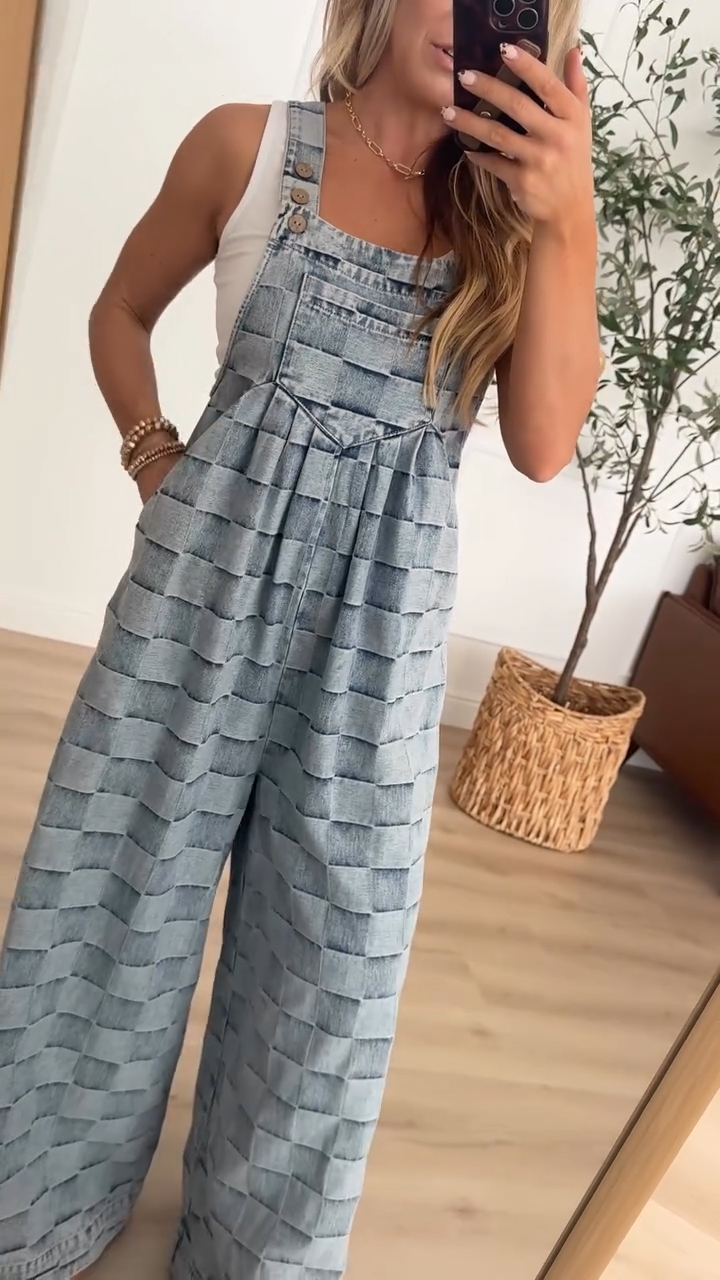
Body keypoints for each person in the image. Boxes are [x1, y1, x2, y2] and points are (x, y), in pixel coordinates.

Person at [0, 1, 599, 1276]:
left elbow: (546, 444)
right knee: (108, 908)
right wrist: (153, 457)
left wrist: (571, 213)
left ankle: (254, 1252)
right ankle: (34, 1205)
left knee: (329, 978)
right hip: (188, 620)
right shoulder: (248, 148)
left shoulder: (507, 233)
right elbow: (119, 311)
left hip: (375, 671)